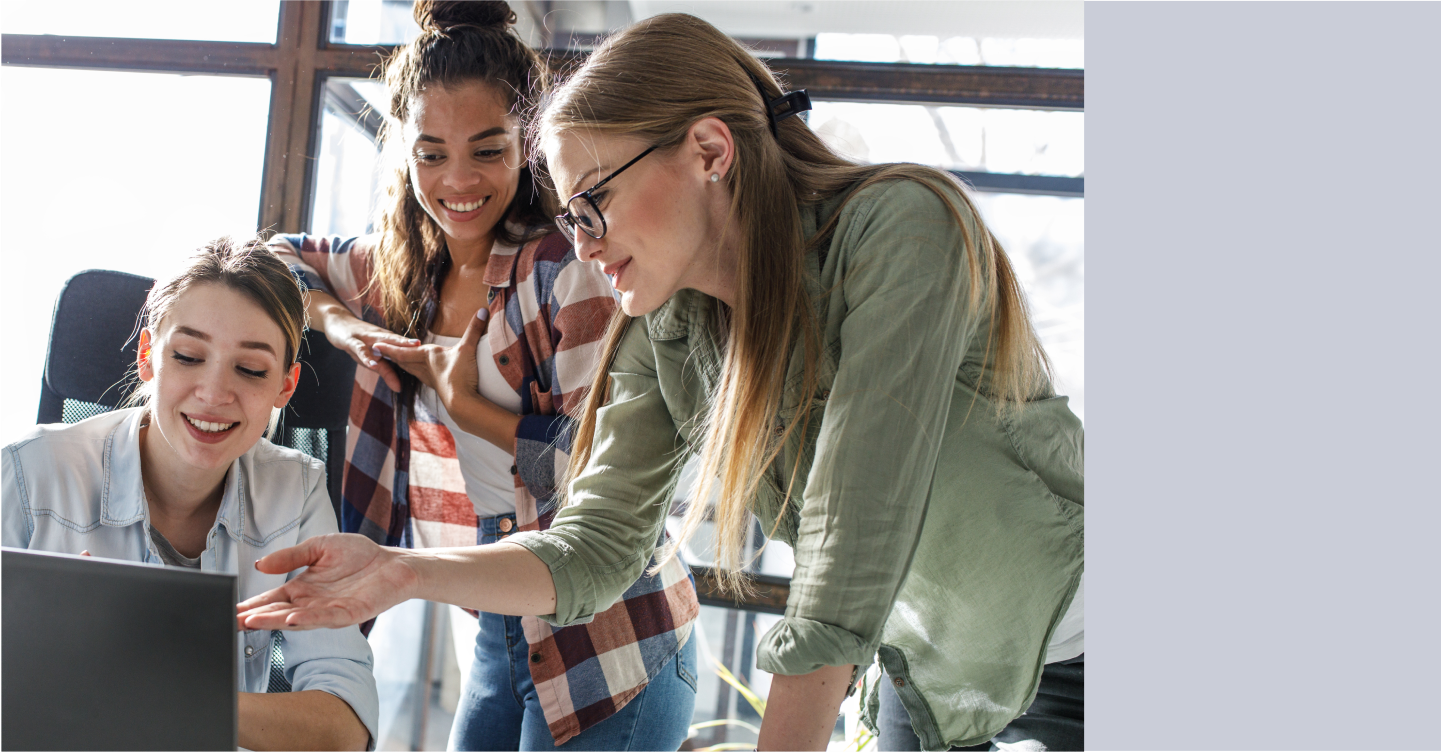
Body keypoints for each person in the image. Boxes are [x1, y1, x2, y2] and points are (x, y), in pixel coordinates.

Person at [240, 12, 1084, 752]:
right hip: (928, 667)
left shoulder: (899, 226)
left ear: (709, 151)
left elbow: (853, 520)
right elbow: (597, 544)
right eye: (569, 216)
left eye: (593, 203)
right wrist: (405, 569)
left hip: (1082, 640)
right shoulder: (670, 327)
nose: (581, 243)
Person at [266, 2, 699, 749]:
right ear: (403, 149)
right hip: (500, 621)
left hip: (612, 633)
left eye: (487, 150)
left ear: (529, 145)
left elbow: (607, 477)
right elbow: (272, 254)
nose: (456, 181)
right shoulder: (401, 272)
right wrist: (341, 324)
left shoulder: (567, 272)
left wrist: (469, 406)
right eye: (430, 153)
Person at [1, 237, 378, 752]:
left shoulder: (297, 491)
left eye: (250, 369)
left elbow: (345, 726)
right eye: (187, 356)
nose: (214, 393)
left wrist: (153, 687)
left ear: (284, 389)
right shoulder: (27, 474)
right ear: (148, 358)